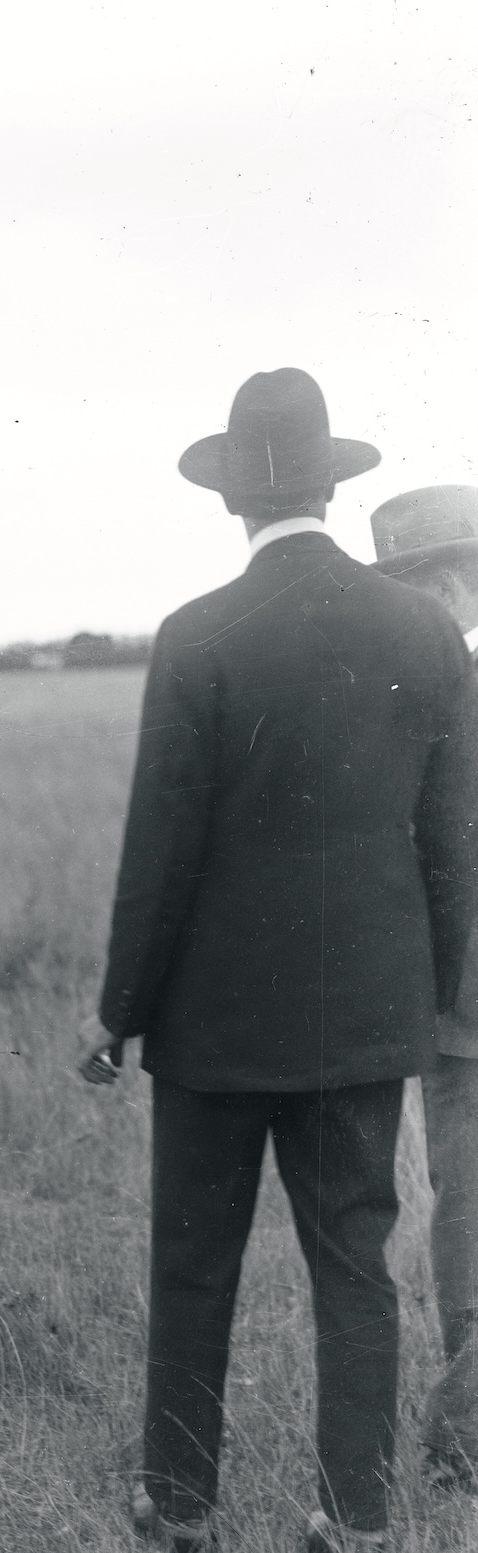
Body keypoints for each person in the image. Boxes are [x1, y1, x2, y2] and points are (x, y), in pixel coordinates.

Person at [81, 370, 478, 1553]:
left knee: (194, 1261)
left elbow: (160, 850)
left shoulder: (197, 635)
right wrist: (431, 995)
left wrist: (120, 1012)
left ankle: (179, 1510)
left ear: (232, 501)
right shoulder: (425, 632)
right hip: (367, 1022)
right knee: (356, 1271)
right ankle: (357, 1530)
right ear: (330, 482)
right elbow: (451, 850)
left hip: (209, 1028)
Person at [371, 485, 478, 1493]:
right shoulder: (426, 693)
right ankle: (463, 1435)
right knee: (468, 1213)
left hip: (452, 1006)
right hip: (460, 1013)